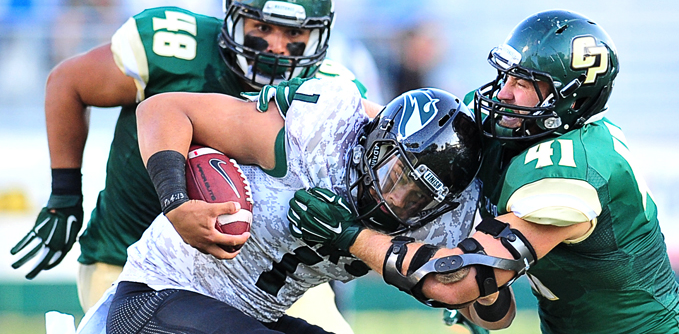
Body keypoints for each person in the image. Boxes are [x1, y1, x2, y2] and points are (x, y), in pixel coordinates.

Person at [9, 0, 365, 332]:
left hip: (265, 270)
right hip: (133, 262)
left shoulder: (328, 95)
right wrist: (64, 193)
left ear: (319, 35)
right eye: (262, 28)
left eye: (294, 33)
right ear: (233, 18)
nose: (277, 46)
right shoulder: (178, 47)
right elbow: (68, 83)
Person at [287, 10, 679, 333]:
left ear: (570, 102)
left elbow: (463, 280)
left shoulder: (576, 167)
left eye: (526, 83)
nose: (504, 92)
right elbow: (495, 311)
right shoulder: (512, 127)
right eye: (508, 74)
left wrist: (353, 237)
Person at [91, 79, 482, 333]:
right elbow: (164, 109)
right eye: (395, 172)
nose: (395, 196)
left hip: (252, 316)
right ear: (375, 143)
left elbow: (494, 311)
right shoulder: (320, 133)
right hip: (157, 296)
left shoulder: (443, 218)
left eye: (417, 194)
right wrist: (175, 204)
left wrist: (354, 238)